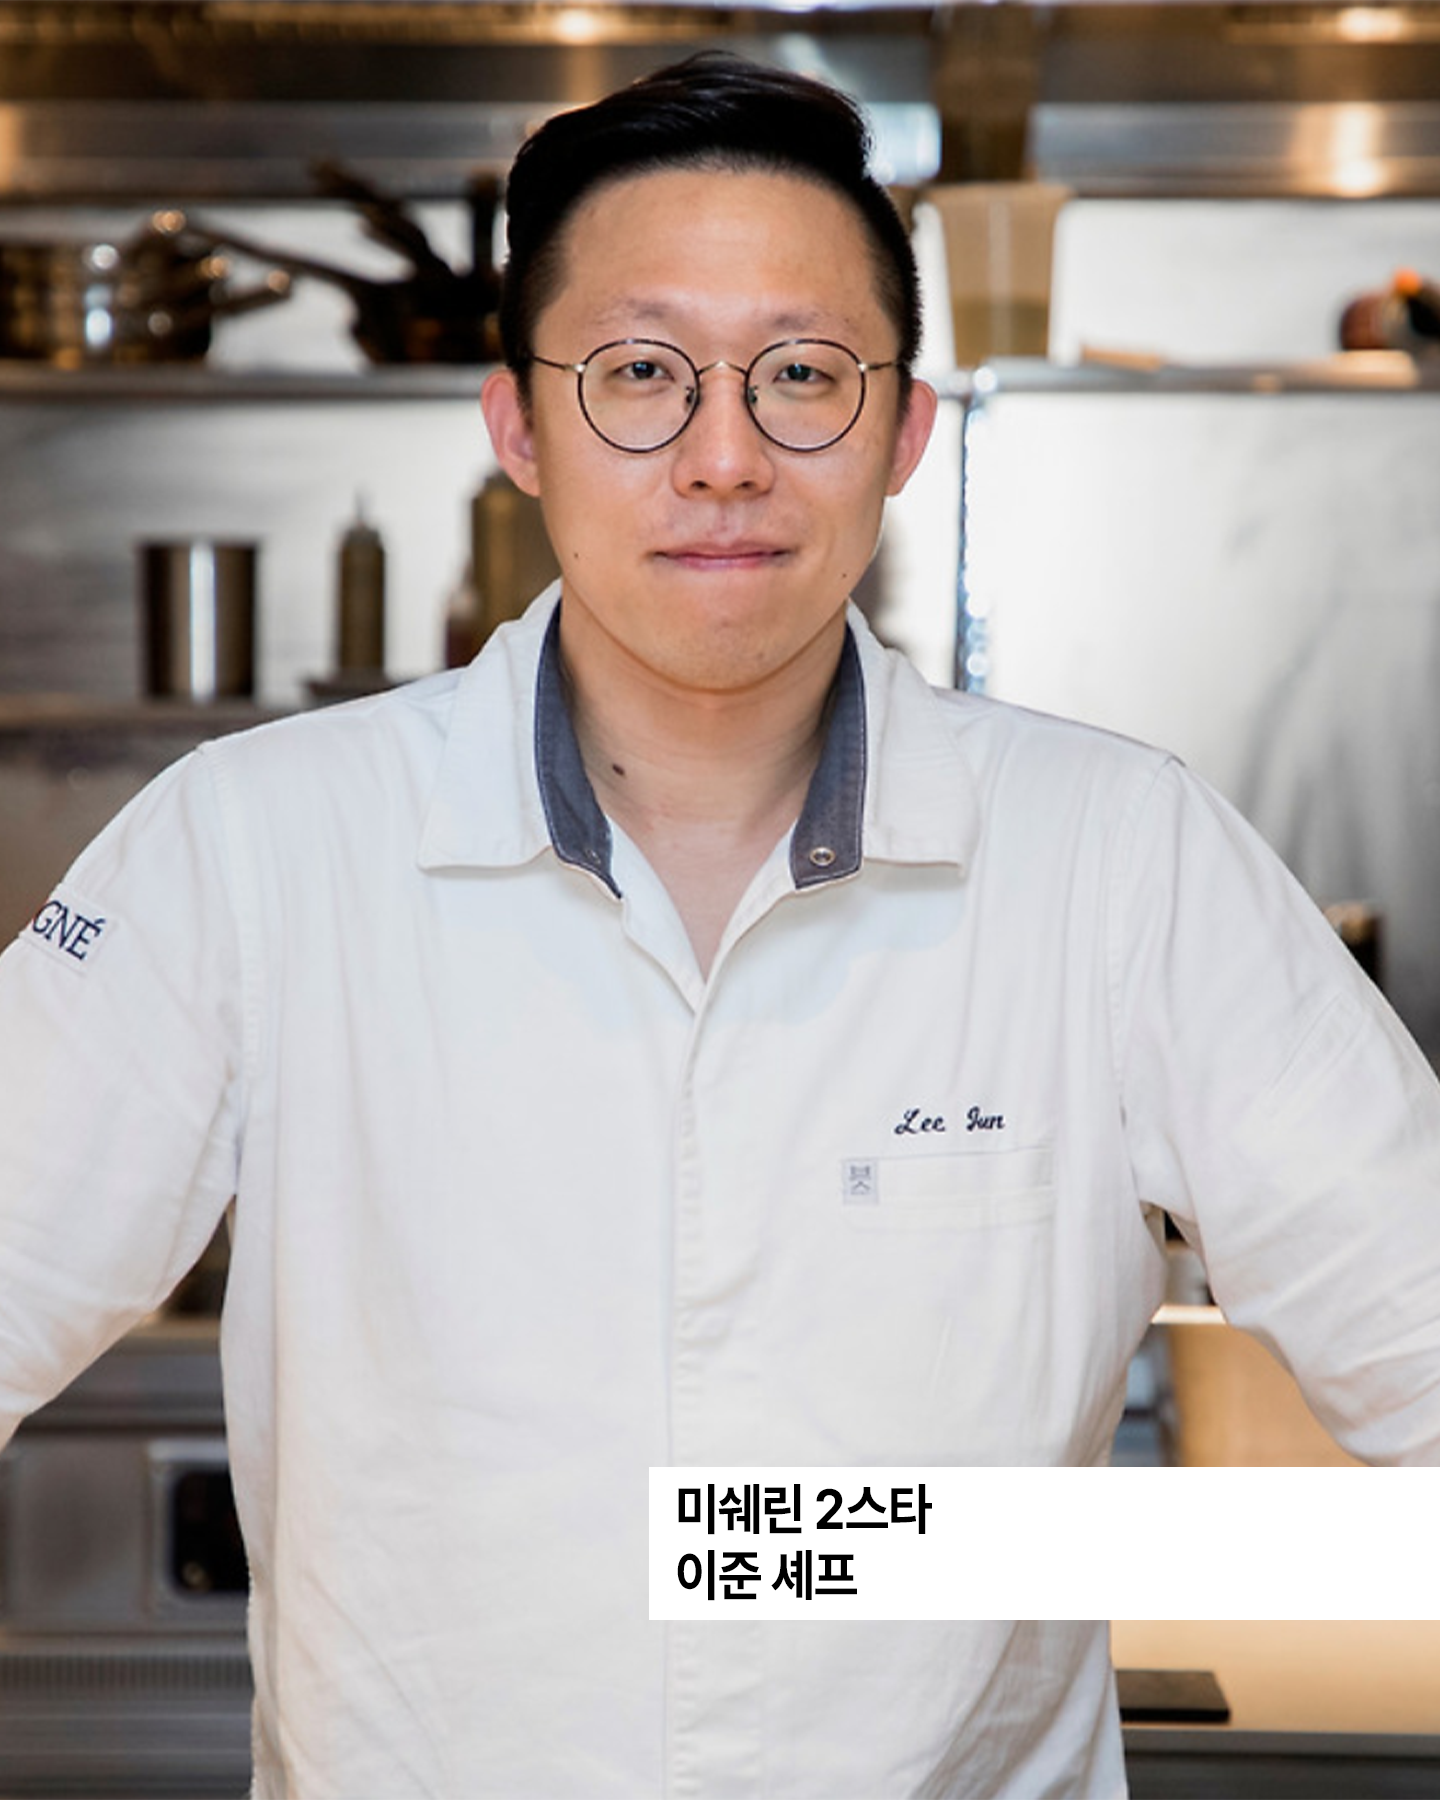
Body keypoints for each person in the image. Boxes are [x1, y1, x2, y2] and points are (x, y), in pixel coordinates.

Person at [2, 51, 1439, 1800]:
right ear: (518, 428)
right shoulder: (250, 847)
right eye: (640, 374)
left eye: (804, 375)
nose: (725, 456)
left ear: (904, 434)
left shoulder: (1122, 860)